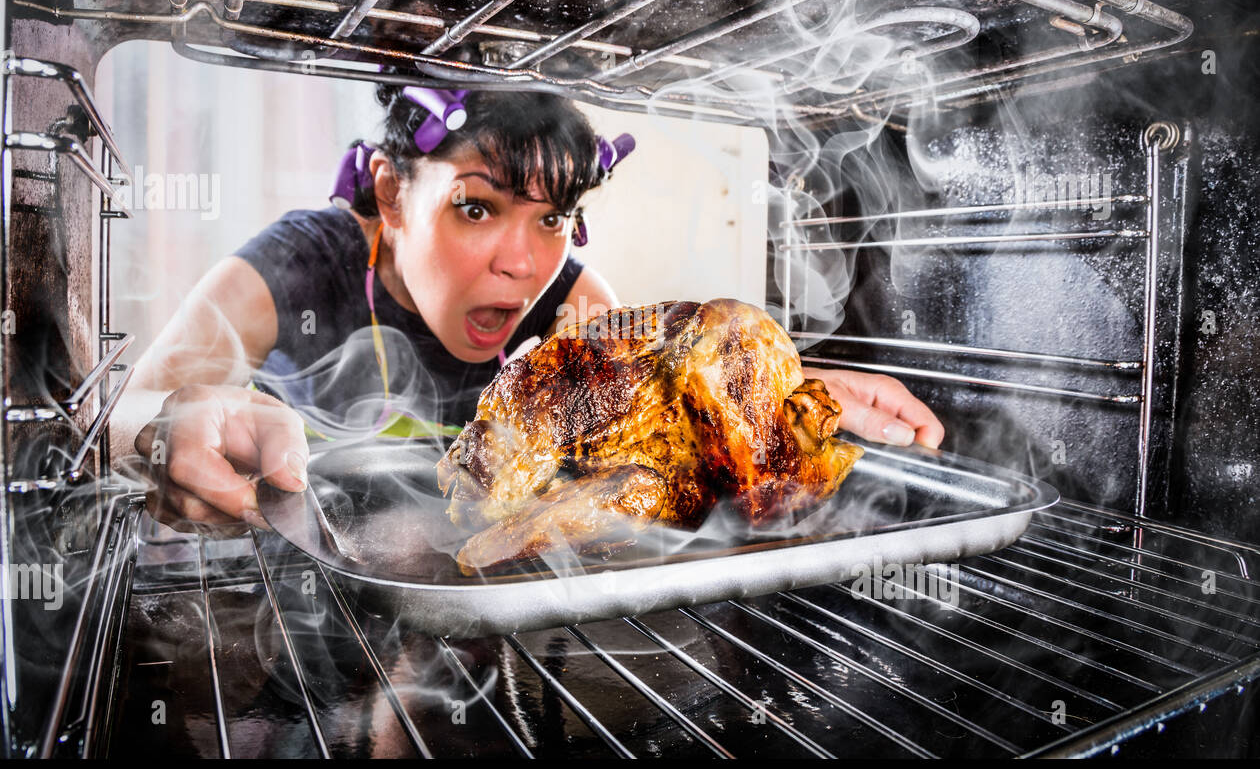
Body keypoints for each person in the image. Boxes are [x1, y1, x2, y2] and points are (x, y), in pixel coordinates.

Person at [113, 87, 944, 536]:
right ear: (393, 194)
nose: (522, 261)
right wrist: (163, 429)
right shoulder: (295, 266)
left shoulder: (569, 298)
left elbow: (665, 415)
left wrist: (787, 400)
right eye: (477, 209)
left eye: (550, 219)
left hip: (449, 584)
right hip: (283, 584)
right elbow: (120, 417)